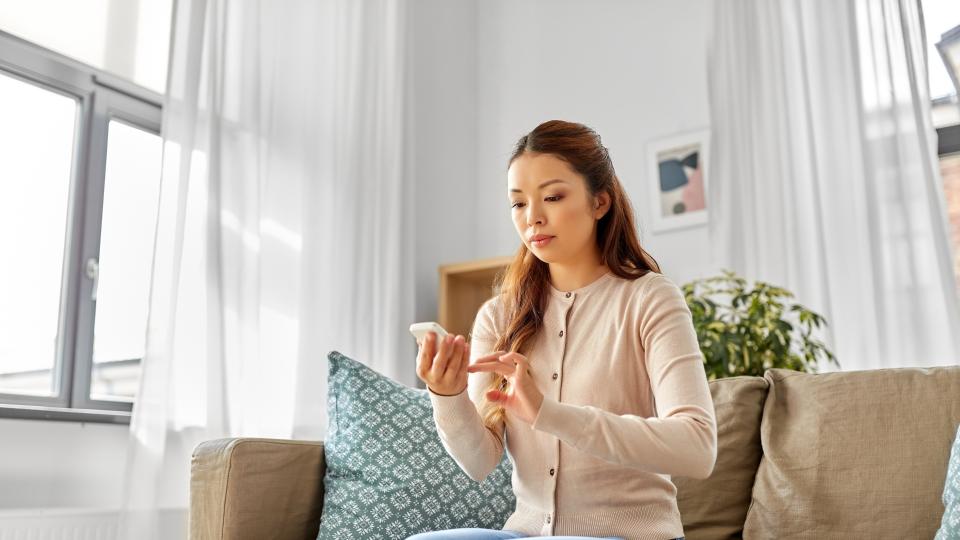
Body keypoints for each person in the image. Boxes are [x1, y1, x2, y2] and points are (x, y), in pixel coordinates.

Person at [410, 120, 717, 540]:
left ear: (600, 202)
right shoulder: (499, 316)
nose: (533, 218)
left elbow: (697, 448)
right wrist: (446, 395)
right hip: (527, 534)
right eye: (518, 204)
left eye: (552, 197)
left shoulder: (650, 299)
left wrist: (548, 414)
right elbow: (479, 462)